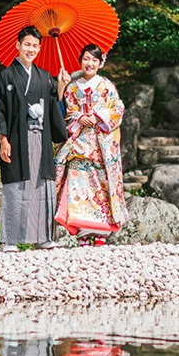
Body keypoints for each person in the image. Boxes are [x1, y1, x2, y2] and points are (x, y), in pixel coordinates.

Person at [0, 26, 70, 252]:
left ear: (40, 48)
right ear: (18, 45)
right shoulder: (6, 76)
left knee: (42, 186)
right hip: (16, 138)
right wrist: (3, 140)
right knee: (16, 186)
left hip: (41, 139)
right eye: (27, 45)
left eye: (35, 46)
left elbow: (55, 106)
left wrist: (60, 88)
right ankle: (11, 239)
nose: (31, 49)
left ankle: (43, 237)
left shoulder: (44, 77)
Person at [55, 44, 128, 247]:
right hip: (80, 144)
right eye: (86, 59)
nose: (90, 63)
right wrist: (79, 117)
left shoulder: (107, 86)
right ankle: (83, 232)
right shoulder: (72, 87)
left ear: (100, 63)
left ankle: (99, 232)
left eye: (94, 60)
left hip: (101, 145)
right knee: (80, 185)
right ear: (81, 61)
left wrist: (97, 117)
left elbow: (117, 110)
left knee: (101, 186)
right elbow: (67, 113)